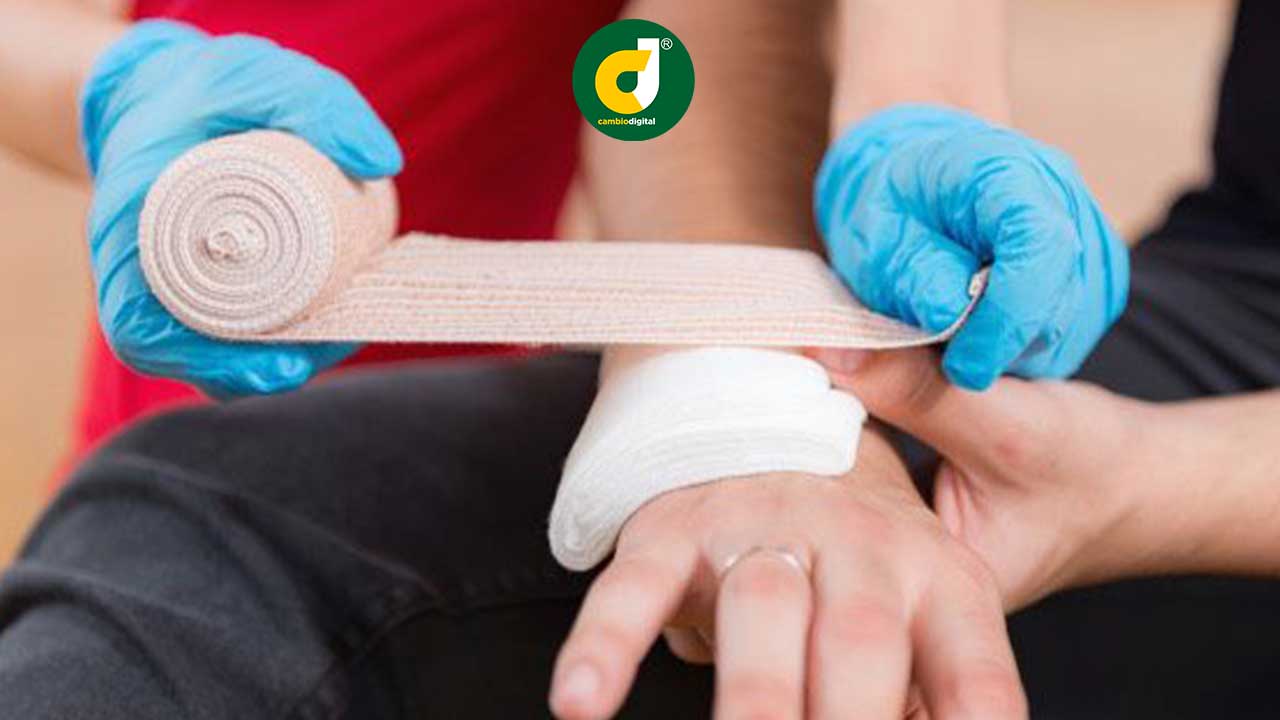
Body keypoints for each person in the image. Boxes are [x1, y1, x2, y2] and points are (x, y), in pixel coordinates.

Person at [0, 2, 1269, 720]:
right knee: (154, 549)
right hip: (188, 325)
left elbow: (665, 60)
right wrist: (106, 85)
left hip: (364, 375)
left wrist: (737, 386)